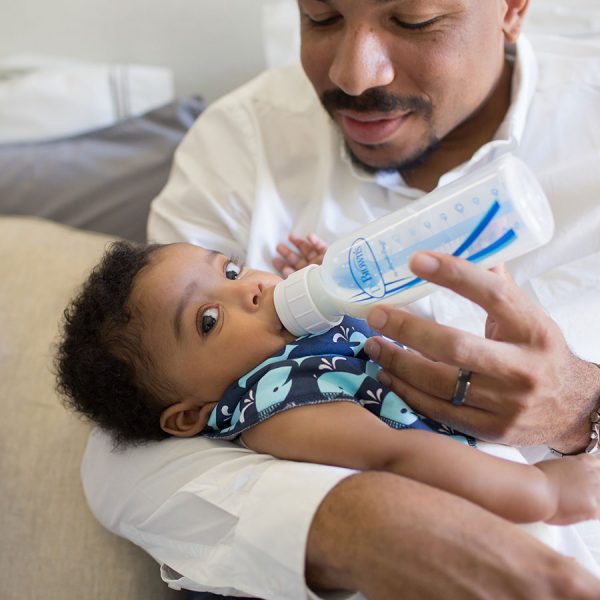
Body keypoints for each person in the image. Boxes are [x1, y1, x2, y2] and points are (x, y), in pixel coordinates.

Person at [81, 1, 600, 598]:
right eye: (322, 17)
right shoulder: (242, 144)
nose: (354, 76)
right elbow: (126, 450)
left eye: (413, 21)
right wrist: (367, 522)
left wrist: (583, 408)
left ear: (511, 9)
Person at [57, 240, 600, 534]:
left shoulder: (297, 340)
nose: (249, 290)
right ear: (188, 414)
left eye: (231, 270)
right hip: (477, 515)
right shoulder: (275, 403)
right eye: (206, 321)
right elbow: (396, 456)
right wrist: (543, 493)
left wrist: (330, 281)